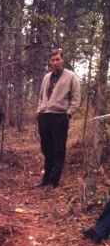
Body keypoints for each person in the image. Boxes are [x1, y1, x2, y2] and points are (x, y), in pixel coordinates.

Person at [35, 49, 81, 190]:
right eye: (52, 60)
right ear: (50, 62)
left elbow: (76, 98)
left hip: (59, 117)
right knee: (46, 149)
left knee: (58, 150)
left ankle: (53, 182)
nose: (55, 62)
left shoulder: (71, 77)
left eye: (57, 59)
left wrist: (68, 114)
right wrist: (39, 111)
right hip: (45, 116)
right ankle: (46, 179)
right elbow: (41, 97)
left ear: (62, 60)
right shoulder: (46, 77)